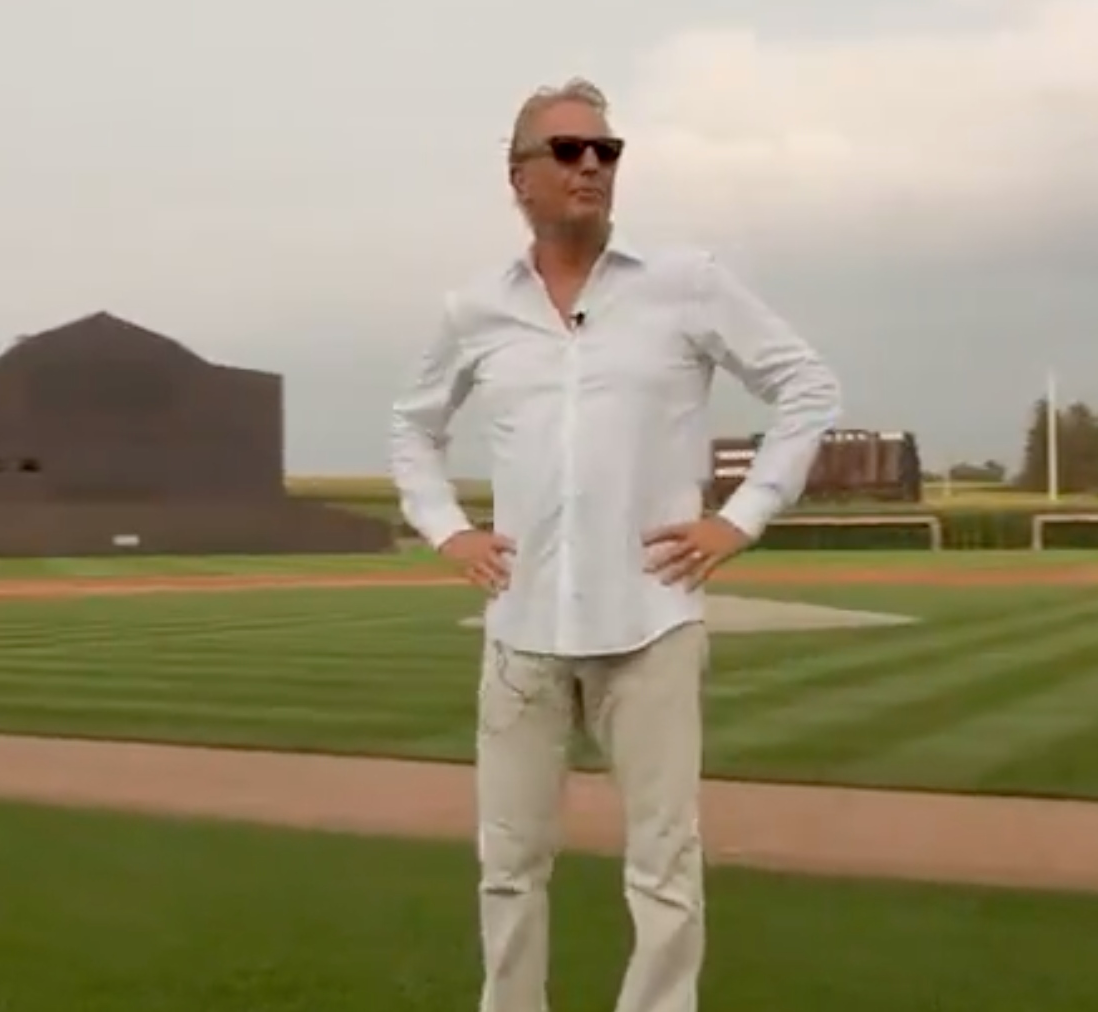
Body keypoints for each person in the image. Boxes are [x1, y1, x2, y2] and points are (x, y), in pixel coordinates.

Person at [387, 77, 843, 1012]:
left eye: (606, 151)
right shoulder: (474, 309)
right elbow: (411, 425)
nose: (591, 164)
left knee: (665, 868)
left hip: (652, 622)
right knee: (509, 867)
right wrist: (449, 529)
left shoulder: (686, 284)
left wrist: (741, 516)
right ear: (519, 177)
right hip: (522, 630)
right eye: (567, 151)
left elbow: (808, 389)